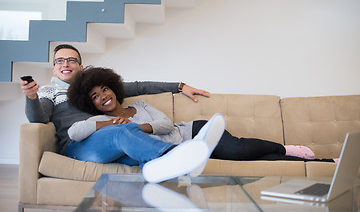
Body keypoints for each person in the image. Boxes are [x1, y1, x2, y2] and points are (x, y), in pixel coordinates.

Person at [67, 67, 336, 169]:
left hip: (192, 133)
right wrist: (112, 123)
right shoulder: (97, 125)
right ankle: (326, 162)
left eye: (104, 89)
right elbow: (74, 133)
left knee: (240, 149)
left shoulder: (140, 105)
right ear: (90, 104)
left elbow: (166, 125)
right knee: (251, 160)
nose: (102, 96)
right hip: (188, 151)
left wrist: (136, 124)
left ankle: (287, 148)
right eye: (94, 97)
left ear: (113, 88)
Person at [20, 44, 210, 157]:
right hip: (78, 143)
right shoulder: (49, 91)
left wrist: (179, 86)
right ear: (54, 69)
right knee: (123, 131)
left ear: (80, 66)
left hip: (110, 138)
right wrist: (31, 97)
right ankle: (180, 154)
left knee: (131, 142)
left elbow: (139, 86)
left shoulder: (96, 88)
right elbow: (39, 119)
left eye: (71, 60)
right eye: (59, 61)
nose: (66, 64)